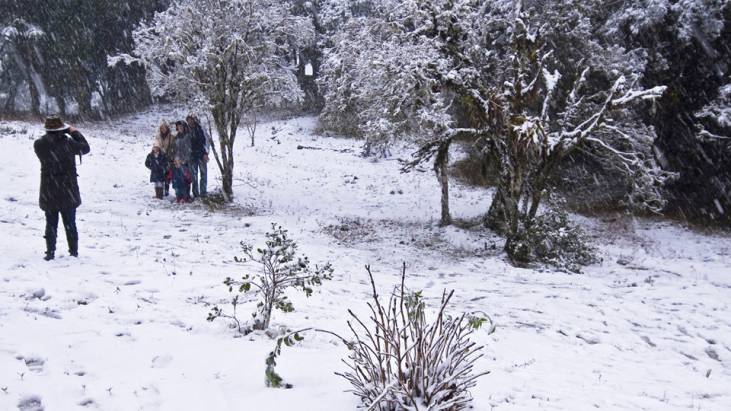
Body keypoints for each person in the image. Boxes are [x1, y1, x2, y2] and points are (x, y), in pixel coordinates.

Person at [33, 115, 91, 261]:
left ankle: (50, 252)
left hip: (49, 189)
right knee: (70, 223)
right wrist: (73, 131)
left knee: (51, 223)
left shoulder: (39, 145)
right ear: (62, 129)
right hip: (68, 189)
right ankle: (73, 252)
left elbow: (50, 146)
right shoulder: (70, 144)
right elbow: (86, 147)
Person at [186, 115, 209, 198]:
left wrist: (206, 153)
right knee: (194, 176)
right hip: (191, 156)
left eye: (191, 119)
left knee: (204, 174)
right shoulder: (186, 130)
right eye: (188, 120)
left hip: (202, 155)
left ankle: (203, 193)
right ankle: (195, 194)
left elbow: (206, 141)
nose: (190, 121)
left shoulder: (201, 129)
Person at [173, 120, 193, 198]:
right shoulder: (176, 137)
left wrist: (184, 160)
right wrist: (175, 159)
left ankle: (186, 196)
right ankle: (179, 196)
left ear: (184, 127)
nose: (180, 128)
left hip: (186, 162)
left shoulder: (188, 136)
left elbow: (189, 150)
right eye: (178, 127)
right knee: (178, 179)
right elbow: (175, 149)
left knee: (186, 179)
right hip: (177, 161)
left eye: (181, 126)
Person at [155, 121, 174, 196]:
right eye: (161, 128)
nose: (163, 129)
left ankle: (166, 190)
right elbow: (156, 144)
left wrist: (171, 154)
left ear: (167, 128)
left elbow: (173, 146)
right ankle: (160, 190)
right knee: (160, 174)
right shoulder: (158, 136)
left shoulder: (171, 136)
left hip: (168, 158)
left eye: (164, 127)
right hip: (160, 158)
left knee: (167, 175)